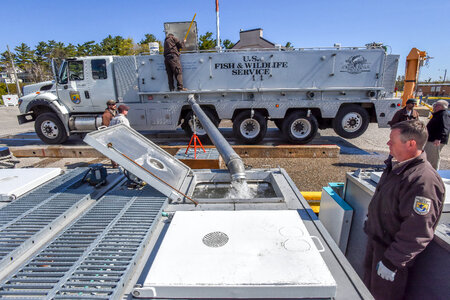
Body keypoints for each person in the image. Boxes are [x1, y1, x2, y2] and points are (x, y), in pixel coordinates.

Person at [363, 120, 445, 300]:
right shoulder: (397, 167)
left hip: (391, 256)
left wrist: (392, 262)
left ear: (411, 143)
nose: (388, 144)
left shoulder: (423, 181)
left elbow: (418, 230)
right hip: (376, 246)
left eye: (392, 140)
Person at [424, 99, 450, 170]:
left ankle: (433, 174)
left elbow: (445, 127)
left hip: (435, 141)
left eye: (435, 105)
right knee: (428, 157)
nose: (434, 107)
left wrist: (439, 138)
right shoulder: (439, 114)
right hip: (432, 140)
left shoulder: (444, 114)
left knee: (433, 159)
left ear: (440, 106)